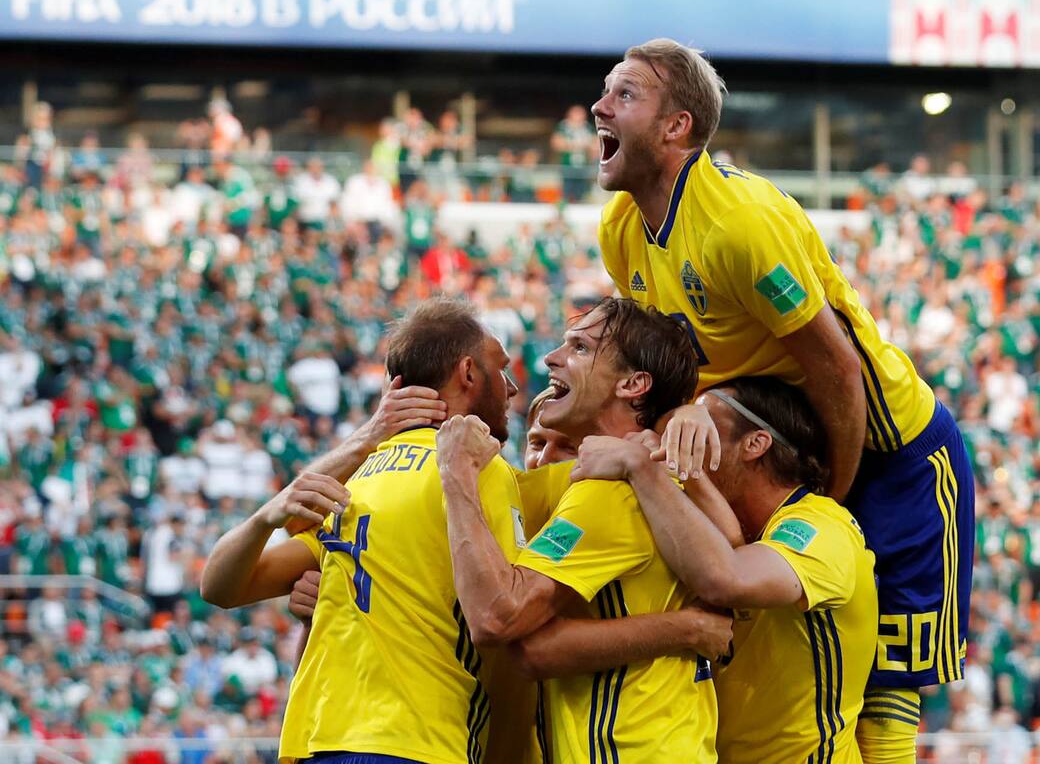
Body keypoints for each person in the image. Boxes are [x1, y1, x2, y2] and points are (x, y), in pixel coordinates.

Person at [590, 38, 975, 759]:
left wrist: (833, 496)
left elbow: (836, 370)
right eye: (606, 90)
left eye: (625, 94)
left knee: (888, 695)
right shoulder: (620, 233)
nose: (599, 106)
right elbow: (667, 370)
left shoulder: (739, 223)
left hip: (891, 455)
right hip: (785, 456)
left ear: (677, 127)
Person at [201, 299, 525, 764]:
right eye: (502, 368)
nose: (512, 388)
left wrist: (265, 518)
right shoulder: (479, 472)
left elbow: (217, 586)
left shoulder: (358, 482)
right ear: (468, 373)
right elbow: (506, 620)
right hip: (418, 739)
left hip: (318, 739)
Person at [436, 297, 719, 763]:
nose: (551, 358)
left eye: (581, 348)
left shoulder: (613, 491)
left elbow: (501, 620)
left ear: (633, 384)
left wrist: (457, 472)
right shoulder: (616, 475)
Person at [571, 376, 878, 762]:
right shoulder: (726, 531)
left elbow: (727, 577)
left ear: (755, 444)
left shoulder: (823, 526)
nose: (683, 441)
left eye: (700, 428)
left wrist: (641, 470)